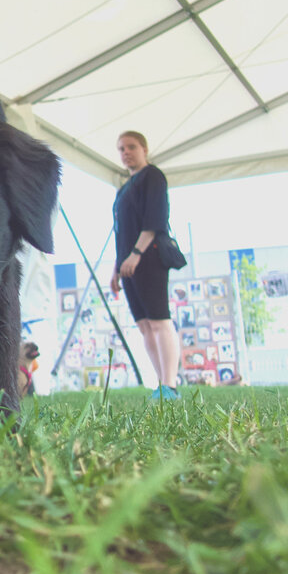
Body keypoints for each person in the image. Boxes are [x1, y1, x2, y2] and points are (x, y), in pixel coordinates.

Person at [110, 131, 181, 400]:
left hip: (148, 257)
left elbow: (155, 218)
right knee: (144, 325)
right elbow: (120, 231)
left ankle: (170, 384)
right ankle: (160, 382)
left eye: (131, 147)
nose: (126, 152)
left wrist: (137, 253)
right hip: (127, 264)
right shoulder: (124, 188)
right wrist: (117, 267)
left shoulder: (153, 177)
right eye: (121, 149)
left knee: (159, 320)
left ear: (144, 149)